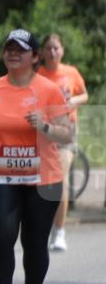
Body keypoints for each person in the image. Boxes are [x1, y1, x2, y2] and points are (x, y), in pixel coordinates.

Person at [0, 29, 72, 284]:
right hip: (1, 175)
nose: (13, 53)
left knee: (35, 243)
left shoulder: (49, 90)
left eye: (21, 48)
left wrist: (44, 126)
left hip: (44, 177)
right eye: (8, 48)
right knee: (3, 239)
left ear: (34, 56)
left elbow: (67, 133)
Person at [37, 34, 88, 252]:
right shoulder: (36, 74)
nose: (52, 52)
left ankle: (59, 232)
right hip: (42, 131)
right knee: (41, 182)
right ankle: (42, 227)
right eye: (48, 48)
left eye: (56, 48)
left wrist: (73, 100)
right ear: (42, 52)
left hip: (66, 130)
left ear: (62, 51)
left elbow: (84, 95)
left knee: (60, 179)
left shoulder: (71, 73)